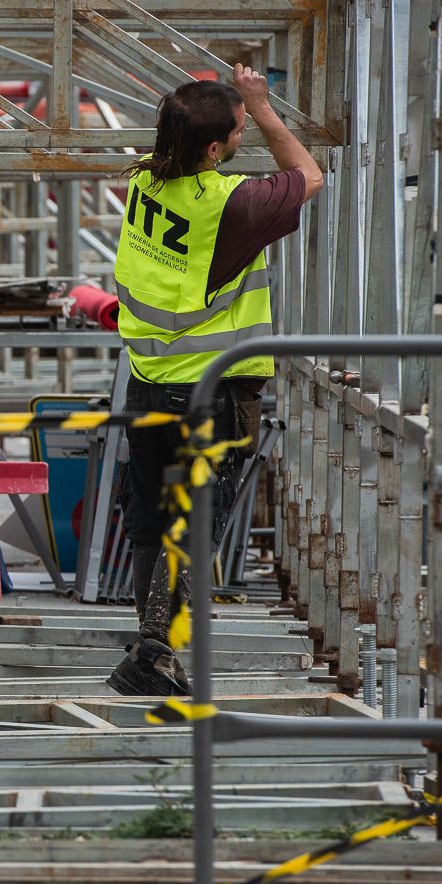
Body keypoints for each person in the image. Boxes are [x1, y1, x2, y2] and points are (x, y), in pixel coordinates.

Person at [107, 64, 324, 697]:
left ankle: (154, 652)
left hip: (146, 380)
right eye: (235, 132)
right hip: (208, 394)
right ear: (211, 149)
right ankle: (152, 652)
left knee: (152, 525)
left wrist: (227, 108)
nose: (241, 136)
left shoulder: (143, 181)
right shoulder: (231, 203)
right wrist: (261, 105)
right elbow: (309, 175)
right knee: (196, 529)